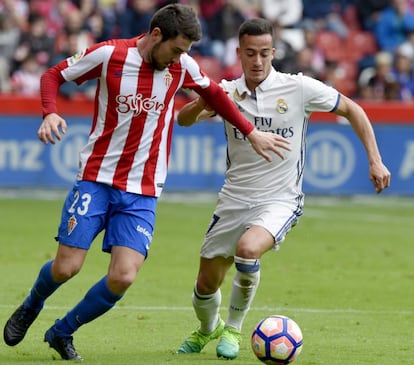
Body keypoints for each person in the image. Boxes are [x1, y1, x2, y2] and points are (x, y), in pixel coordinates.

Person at [2, 4, 289, 361]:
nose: (179, 58)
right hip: (96, 178)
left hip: (144, 190)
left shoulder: (181, 65)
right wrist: (50, 111)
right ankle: (32, 305)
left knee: (123, 277)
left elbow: (213, 95)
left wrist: (252, 133)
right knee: (66, 268)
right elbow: (52, 76)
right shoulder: (109, 54)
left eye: (185, 52)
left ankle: (63, 331)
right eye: (176, 49)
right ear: (156, 35)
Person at [176, 18, 391, 360]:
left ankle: (232, 327)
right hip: (233, 199)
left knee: (248, 250)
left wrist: (375, 160)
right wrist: (207, 100)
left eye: (264, 53)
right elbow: (183, 120)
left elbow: (353, 109)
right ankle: (208, 329)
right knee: (205, 285)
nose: (257, 61)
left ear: (273, 52)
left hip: (280, 199)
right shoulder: (228, 92)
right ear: (239, 53)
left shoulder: (299, 88)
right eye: (250, 53)